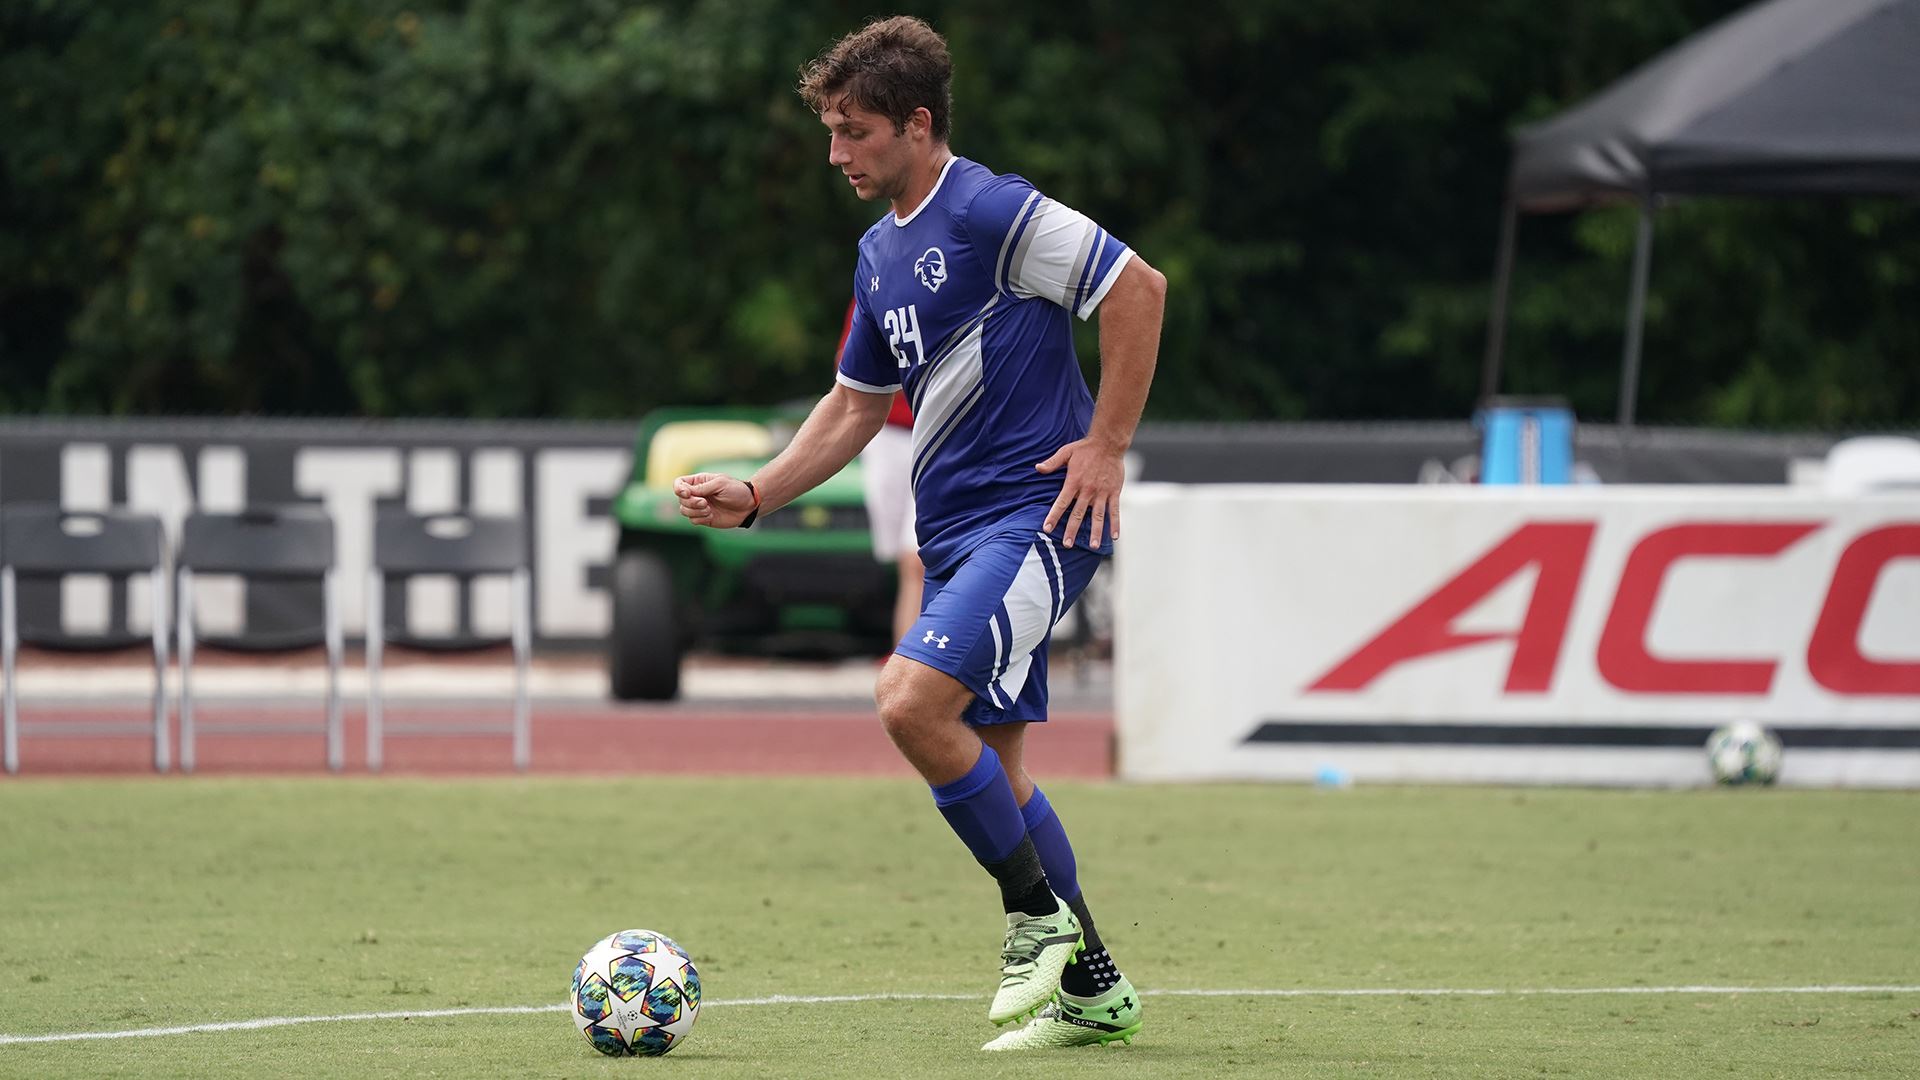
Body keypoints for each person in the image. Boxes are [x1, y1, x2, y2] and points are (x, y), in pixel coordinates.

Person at [674, 15, 1165, 1051]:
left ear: (917, 124)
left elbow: (1137, 288)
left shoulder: (990, 209)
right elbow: (855, 406)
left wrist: (1107, 444)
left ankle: (1034, 920)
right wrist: (759, 492)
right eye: (832, 133)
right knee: (996, 764)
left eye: (853, 132)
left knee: (907, 701)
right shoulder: (877, 253)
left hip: (1035, 519)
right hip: (957, 537)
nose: (836, 154)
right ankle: (1093, 986)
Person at [837, 297, 925, 643]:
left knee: (917, 557)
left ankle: (916, 661)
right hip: (886, 431)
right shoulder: (878, 277)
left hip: (936, 432)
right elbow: (852, 372)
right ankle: (907, 655)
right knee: (903, 559)